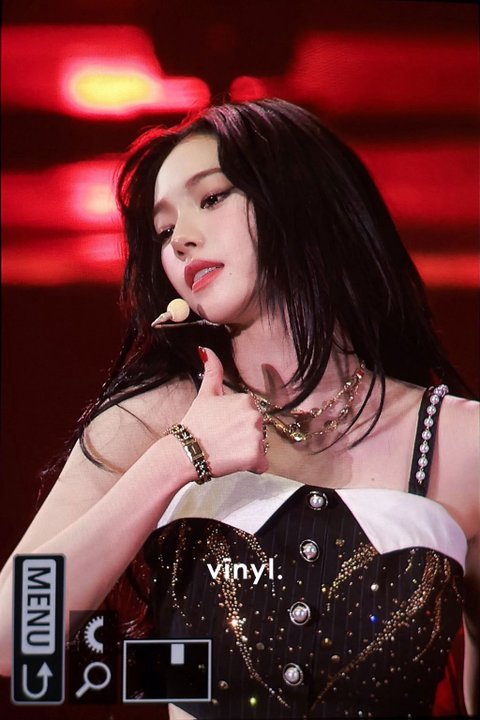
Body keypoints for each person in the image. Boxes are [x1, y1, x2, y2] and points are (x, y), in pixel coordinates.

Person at [0, 98, 478, 719]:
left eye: (212, 197)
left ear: (300, 200)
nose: (181, 240)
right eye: (164, 231)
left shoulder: (460, 443)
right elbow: (16, 636)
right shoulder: (148, 423)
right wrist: (176, 459)